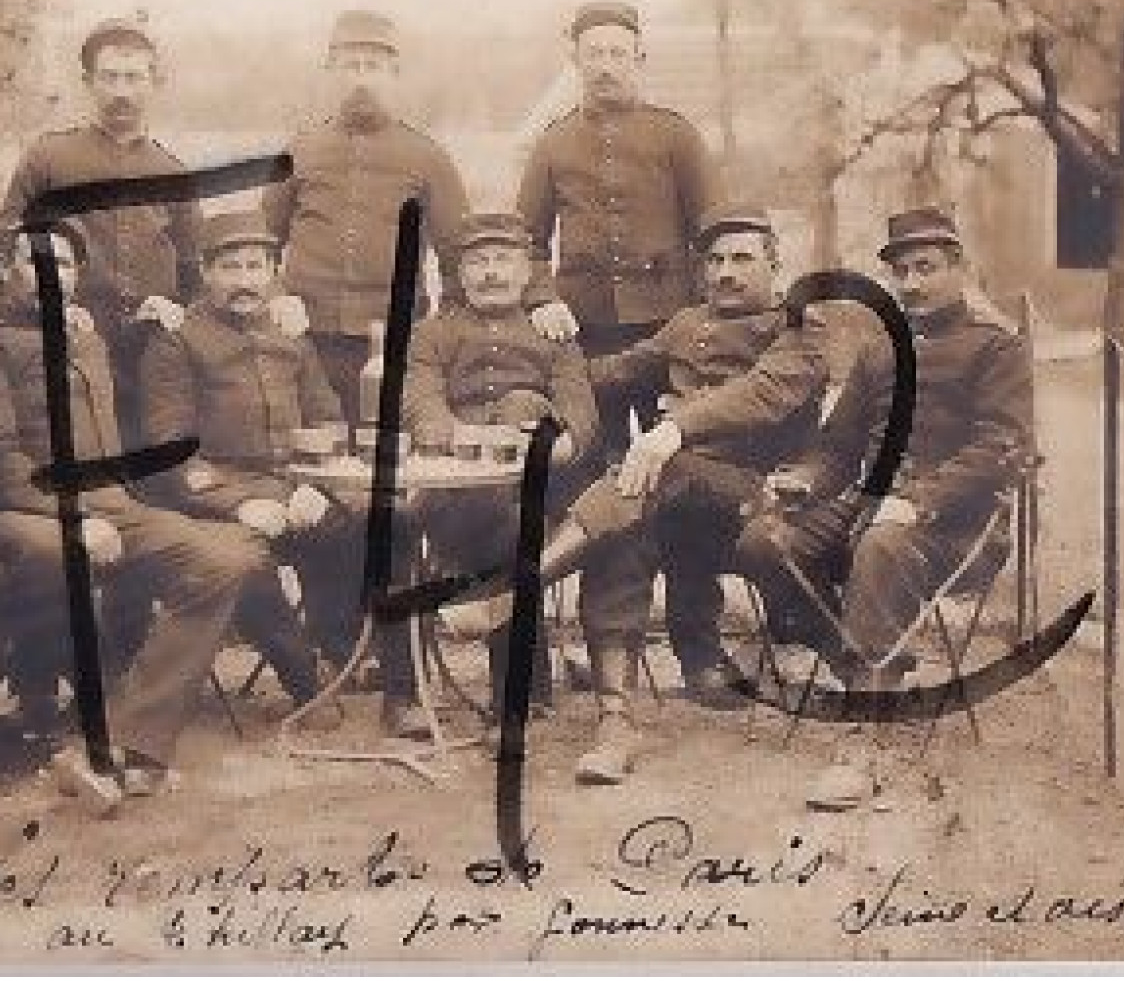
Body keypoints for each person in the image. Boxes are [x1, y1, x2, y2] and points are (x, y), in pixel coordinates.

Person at [478, 208, 827, 785]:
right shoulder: (686, 324)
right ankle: (615, 722)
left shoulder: (801, 330)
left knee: (655, 475)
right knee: (623, 531)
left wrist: (673, 430)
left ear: (774, 264)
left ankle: (515, 586)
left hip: (758, 499)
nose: (725, 273)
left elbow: (763, 395)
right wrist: (532, 388)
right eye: (714, 261)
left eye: (742, 259)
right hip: (675, 503)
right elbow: (610, 371)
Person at [0, 223, 289, 816]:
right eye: (36, 264)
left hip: (115, 506)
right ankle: (34, 719)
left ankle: (124, 736)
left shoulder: (89, 336)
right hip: (21, 512)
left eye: (66, 264)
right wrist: (73, 515)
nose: (55, 275)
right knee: (57, 552)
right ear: (3, 273)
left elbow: (179, 351)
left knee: (229, 557)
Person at [732, 207, 1033, 809]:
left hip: (956, 524)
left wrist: (919, 502)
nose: (913, 283)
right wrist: (804, 482)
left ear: (959, 268)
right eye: (902, 271)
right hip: (868, 508)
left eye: (927, 268)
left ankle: (862, 739)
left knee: (881, 545)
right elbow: (837, 450)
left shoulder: (995, 347)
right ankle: (859, 665)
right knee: (761, 542)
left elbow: (1001, 448)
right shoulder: (878, 351)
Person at [137, 209, 360, 725]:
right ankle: (303, 678)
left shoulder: (291, 335)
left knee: (367, 523)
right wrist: (241, 502)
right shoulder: (177, 340)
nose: (244, 282)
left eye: (255, 267)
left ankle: (346, 656)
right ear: (206, 272)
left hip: (292, 485)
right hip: (212, 496)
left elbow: (327, 417)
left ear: (273, 271)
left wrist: (313, 484)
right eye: (230, 268)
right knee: (247, 561)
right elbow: (169, 449)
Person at [395, 211, 600, 740]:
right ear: (459, 273)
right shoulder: (432, 334)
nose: (491, 272)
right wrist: (452, 435)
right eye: (478, 262)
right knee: (401, 526)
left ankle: (513, 697)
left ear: (529, 269)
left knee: (515, 522)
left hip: (533, 483)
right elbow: (420, 400)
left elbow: (578, 406)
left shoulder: (553, 334)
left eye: (503, 260)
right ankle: (420, 694)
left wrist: (563, 441)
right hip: (450, 486)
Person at [0, 18, 212, 444]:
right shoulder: (48, 158)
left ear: (154, 83)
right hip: (64, 351)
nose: (122, 91)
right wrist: (46, 304)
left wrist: (173, 311)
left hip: (150, 362)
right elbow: (2, 252)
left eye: (133, 78)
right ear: (88, 81)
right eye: (109, 77)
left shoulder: (172, 172)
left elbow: (196, 274)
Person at [517, 1, 726, 451]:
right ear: (575, 61)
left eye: (617, 54)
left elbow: (714, 233)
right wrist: (541, 297)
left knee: (675, 447)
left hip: (667, 322)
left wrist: (702, 317)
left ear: (640, 59)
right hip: (585, 327)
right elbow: (526, 242)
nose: (605, 67)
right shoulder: (553, 143)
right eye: (594, 54)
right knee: (589, 449)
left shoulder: (677, 136)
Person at [264, 9, 470, 423]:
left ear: (394, 73)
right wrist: (276, 298)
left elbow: (457, 259)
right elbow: (262, 243)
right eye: (349, 66)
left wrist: (440, 339)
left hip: (396, 341)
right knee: (312, 449)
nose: (361, 78)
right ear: (330, 72)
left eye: (372, 67)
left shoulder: (428, 156)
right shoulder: (298, 150)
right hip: (308, 337)